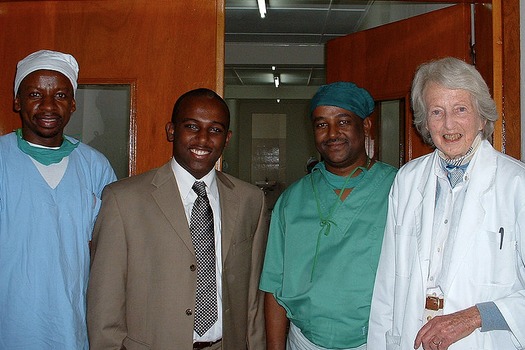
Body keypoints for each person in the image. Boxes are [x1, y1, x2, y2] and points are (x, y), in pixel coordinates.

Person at [87, 88, 269, 349]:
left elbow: (252, 299)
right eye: (192, 126)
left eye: (215, 130)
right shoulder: (123, 199)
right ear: (172, 130)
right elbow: (105, 302)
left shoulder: (251, 200)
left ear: (227, 139)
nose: (203, 139)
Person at [367, 57, 525, 350]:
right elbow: (387, 283)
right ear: (425, 122)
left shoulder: (516, 184)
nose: (449, 124)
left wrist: (475, 316)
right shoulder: (407, 180)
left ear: (482, 117)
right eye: (436, 112)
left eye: (461, 109)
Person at [259, 82, 397, 350]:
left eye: (343, 121)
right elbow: (274, 285)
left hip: (376, 340)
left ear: (366, 126)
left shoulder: (398, 190)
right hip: (304, 341)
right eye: (322, 124)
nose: (332, 133)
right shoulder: (292, 200)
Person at [0, 50, 116, 349]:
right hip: (10, 325)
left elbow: (109, 253)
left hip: (72, 326)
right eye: (35, 94)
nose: (48, 105)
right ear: (17, 101)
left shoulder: (94, 167)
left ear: (73, 104)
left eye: (61, 95)